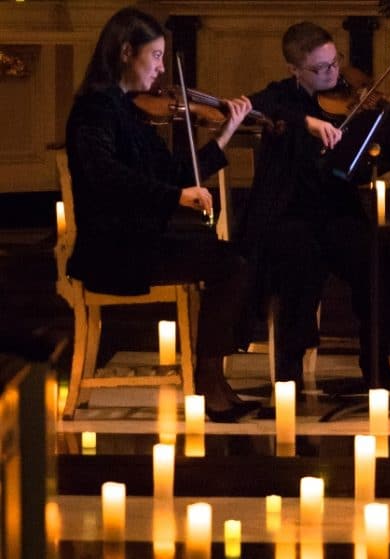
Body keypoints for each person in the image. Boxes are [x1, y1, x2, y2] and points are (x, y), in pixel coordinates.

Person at [65, 7, 257, 422]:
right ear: (125, 52)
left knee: (235, 258)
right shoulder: (95, 110)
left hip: (139, 241)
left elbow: (173, 171)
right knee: (231, 265)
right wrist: (175, 198)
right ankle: (208, 379)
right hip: (113, 251)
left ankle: (212, 376)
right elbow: (108, 178)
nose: (161, 68)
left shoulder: (127, 112)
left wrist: (224, 134)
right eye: (154, 56)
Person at [238, 22, 390, 398]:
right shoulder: (282, 98)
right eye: (320, 68)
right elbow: (254, 108)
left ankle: (376, 365)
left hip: (335, 212)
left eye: (334, 62)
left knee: (377, 255)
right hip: (287, 215)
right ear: (295, 70)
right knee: (301, 257)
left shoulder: (345, 99)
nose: (332, 73)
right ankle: (288, 371)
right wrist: (304, 121)